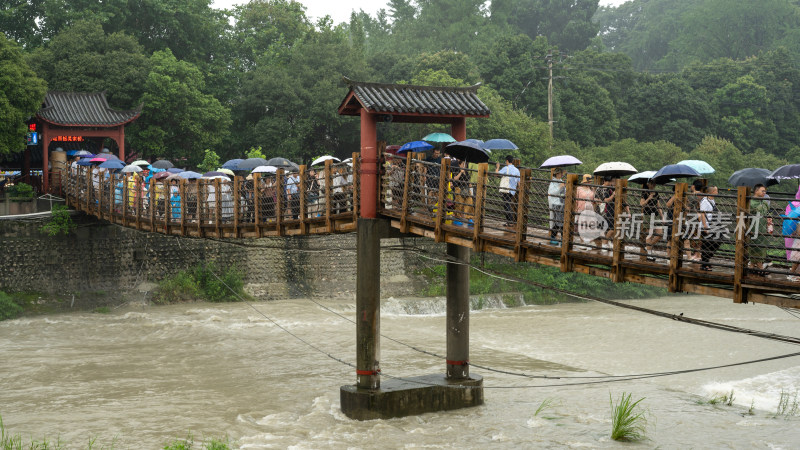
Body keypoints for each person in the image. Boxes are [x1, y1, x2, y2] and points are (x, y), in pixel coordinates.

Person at [748, 184, 773, 276]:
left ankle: (751, 266)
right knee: (755, 246)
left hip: (763, 227)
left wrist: (769, 219)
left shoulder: (764, 202)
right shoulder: (750, 202)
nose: (764, 192)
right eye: (762, 191)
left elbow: (767, 213)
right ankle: (760, 267)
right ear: (756, 191)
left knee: (762, 247)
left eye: (765, 191)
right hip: (754, 227)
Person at [639, 179, 662, 261]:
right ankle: (649, 254)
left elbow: (658, 205)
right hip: (648, 215)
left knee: (660, 234)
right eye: (651, 183)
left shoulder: (656, 193)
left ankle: (647, 246)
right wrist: (649, 198)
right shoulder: (645, 193)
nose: (653, 185)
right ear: (648, 184)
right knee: (650, 234)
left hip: (655, 215)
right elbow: (641, 204)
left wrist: (662, 216)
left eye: (654, 183)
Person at [699, 185, 720, 271]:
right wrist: (705, 226)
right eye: (716, 191)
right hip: (706, 226)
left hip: (712, 226)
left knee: (714, 242)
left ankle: (706, 261)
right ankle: (704, 264)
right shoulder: (705, 201)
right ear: (711, 192)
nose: (717, 192)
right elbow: (702, 214)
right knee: (706, 245)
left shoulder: (712, 200)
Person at [495, 155, 520, 227]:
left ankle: (510, 221)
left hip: (506, 189)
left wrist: (497, 167)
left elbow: (497, 174)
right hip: (512, 190)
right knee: (507, 204)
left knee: (507, 205)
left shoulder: (506, 168)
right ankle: (508, 222)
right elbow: (519, 182)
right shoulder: (517, 170)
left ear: (507, 161)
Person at [548, 168, 566, 244]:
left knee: (559, 221)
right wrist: (560, 187)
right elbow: (551, 192)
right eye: (561, 173)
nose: (562, 174)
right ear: (557, 174)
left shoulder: (561, 181)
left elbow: (563, 191)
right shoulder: (553, 182)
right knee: (560, 221)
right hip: (555, 203)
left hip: (561, 203)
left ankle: (555, 237)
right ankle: (561, 237)